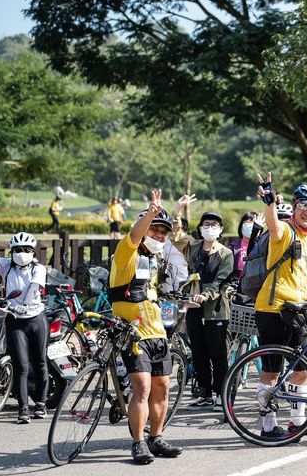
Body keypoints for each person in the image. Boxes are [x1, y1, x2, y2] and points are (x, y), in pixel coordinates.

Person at [109, 190, 181, 464]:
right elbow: (135, 236)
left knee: (163, 387)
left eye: (164, 232)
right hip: (133, 333)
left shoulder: (154, 260)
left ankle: (156, 437)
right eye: (156, 230)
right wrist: (150, 213)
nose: (160, 236)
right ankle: (138, 442)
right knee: (142, 388)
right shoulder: (126, 253)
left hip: (157, 332)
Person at [254, 175, 307, 438]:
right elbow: (273, 226)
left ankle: (298, 422)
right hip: (273, 309)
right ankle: (267, 427)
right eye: (304, 206)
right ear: (295, 207)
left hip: (300, 312)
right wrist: (269, 202)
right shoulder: (285, 232)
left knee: (303, 367)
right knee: (271, 371)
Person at [171, 200, 235, 410]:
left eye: (214, 225)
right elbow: (176, 236)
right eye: (206, 224)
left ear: (221, 229)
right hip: (193, 305)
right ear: (200, 228)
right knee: (198, 352)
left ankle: (221, 395)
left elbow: (221, 281)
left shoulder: (226, 253)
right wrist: (177, 210)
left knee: (217, 354)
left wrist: (206, 295)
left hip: (216, 309)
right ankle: (205, 393)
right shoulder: (194, 247)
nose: (209, 228)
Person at [0, 232, 48, 424]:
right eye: (17, 250)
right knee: (21, 366)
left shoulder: (39, 268)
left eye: (26, 250)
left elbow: (34, 288)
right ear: (12, 252)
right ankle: (23, 409)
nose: (22, 253)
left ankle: (41, 404)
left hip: (36, 319)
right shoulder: (6, 266)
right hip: (14, 320)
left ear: (33, 252)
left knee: (40, 362)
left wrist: (25, 304)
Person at [228, 212, 260, 280]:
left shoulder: (263, 245)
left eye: (254, 223)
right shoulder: (233, 247)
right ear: (241, 226)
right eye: (247, 222)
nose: (251, 226)